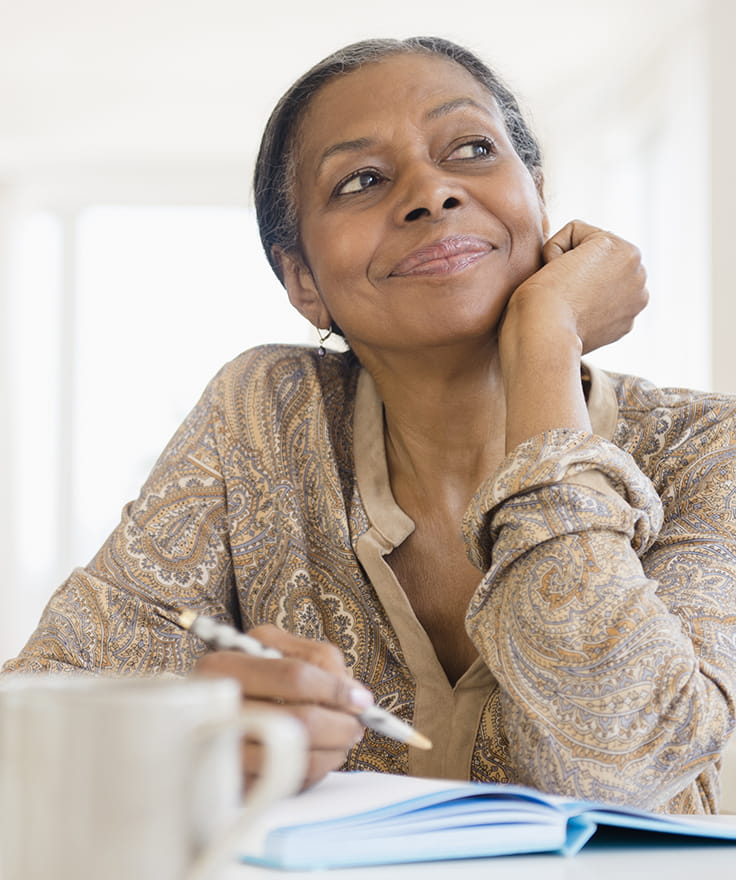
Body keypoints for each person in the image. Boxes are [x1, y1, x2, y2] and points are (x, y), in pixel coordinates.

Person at [5, 36, 736, 814]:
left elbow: (626, 756)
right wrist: (188, 736)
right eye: (361, 180)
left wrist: (546, 337)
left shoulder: (705, 447)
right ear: (302, 283)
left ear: (540, 201)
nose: (431, 191)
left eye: (472, 149)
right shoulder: (260, 416)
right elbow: (27, 725)